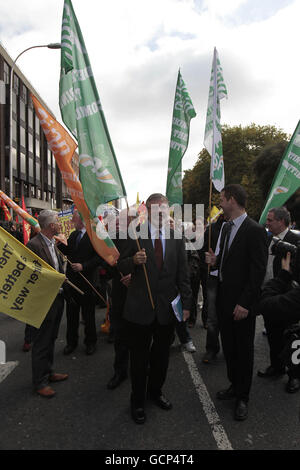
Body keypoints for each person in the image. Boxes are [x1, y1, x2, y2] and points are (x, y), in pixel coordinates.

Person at [118, 193, 192, 424]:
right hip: (139, 309)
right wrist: (133, 262)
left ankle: (155, 392)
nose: (162, 214)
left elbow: (183, 273)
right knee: (139, 360)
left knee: (161, 358)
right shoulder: (134, 234)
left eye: (165, 210)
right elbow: (118, 263)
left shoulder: (175, 236)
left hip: (166, 310)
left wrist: (187, 304)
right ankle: (137, 401)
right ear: (148, 211)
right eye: (158, 210)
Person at [205, 184, 268, 421]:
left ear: (232, 200)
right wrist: (215, 259)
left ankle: (243, 397)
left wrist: (245, 303)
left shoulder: (255, 230)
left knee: (243, 351)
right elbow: (227, 259)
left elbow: (257, 271)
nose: (220, 203)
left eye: (222, 198)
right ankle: (234, 386)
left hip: (242, 305)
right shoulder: (224, 228)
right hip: (223, 298)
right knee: (229, 348)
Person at [257, 207, 300, 392]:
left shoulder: (295, 241)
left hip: (288, 298)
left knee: (290, 337)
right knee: (273, 336)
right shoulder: (267, 238)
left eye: (270, 220)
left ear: (281, 222)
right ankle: (276, 367)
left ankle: (294, 376)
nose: (267, 223)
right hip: (270, 292)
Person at [26, 210, 68, 398]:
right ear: (51, 226)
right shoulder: (33, 245)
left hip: (57, 298)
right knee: (41, 341)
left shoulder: (53, 243)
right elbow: (30, 274)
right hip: (44, 301)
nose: (60, 223)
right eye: (58, 221)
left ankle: (48, 372)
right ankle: (39, 381)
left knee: (51, 338)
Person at [59, 209, 103, 355]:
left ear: (82, 221)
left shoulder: (94, 236)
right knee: (71, 315)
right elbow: (68, 251)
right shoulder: (73, 234)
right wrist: (58, 242)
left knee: (88, 315)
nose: (72, 221)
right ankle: (71, 343)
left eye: (74, 219)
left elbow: (99, 258)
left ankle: (91, 342)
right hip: (72, 282)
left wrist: (84, 266)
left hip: (88, 281)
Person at [201, 214, 226, 363]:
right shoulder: (211, 229)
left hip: (230, 280)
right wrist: (207, 262)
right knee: (212, 316)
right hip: (213, 278)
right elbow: (202, 248)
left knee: (229, 316)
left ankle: (231, 349)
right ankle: (211, 348)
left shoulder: (242, 229)